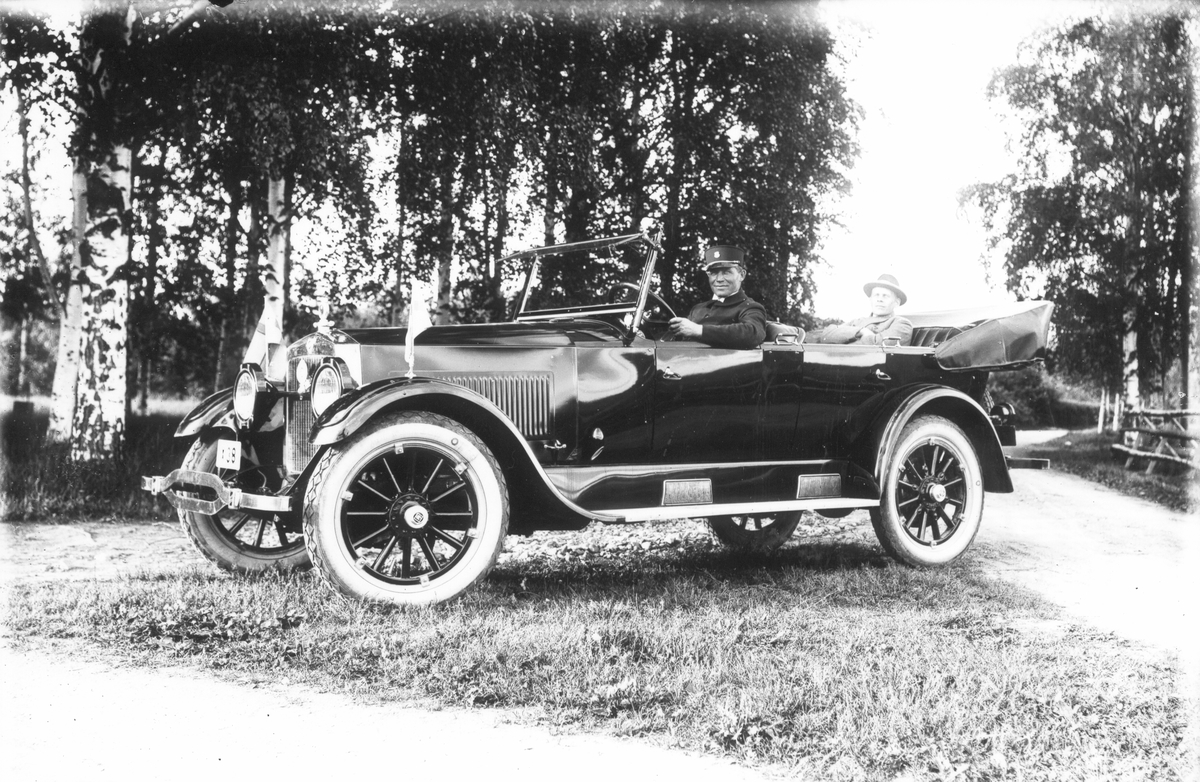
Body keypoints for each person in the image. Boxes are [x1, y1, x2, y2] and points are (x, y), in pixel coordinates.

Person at [668, 246, 767, 349]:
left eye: (726, 272)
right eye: (714, 273)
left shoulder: (750, 307)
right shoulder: (697, 309)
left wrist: (698, 330)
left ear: (741, 275)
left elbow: (752, 333)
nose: (719, 279)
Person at [810, 273, 913, 346]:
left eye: (885, 296)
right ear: (870, 299)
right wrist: (861, 331)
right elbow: (826, 334)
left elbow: (877, 345)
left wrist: (844, 337)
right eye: (876, 295)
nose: (879, 299)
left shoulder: (902, 324)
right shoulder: (858, 321)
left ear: (896, 302)